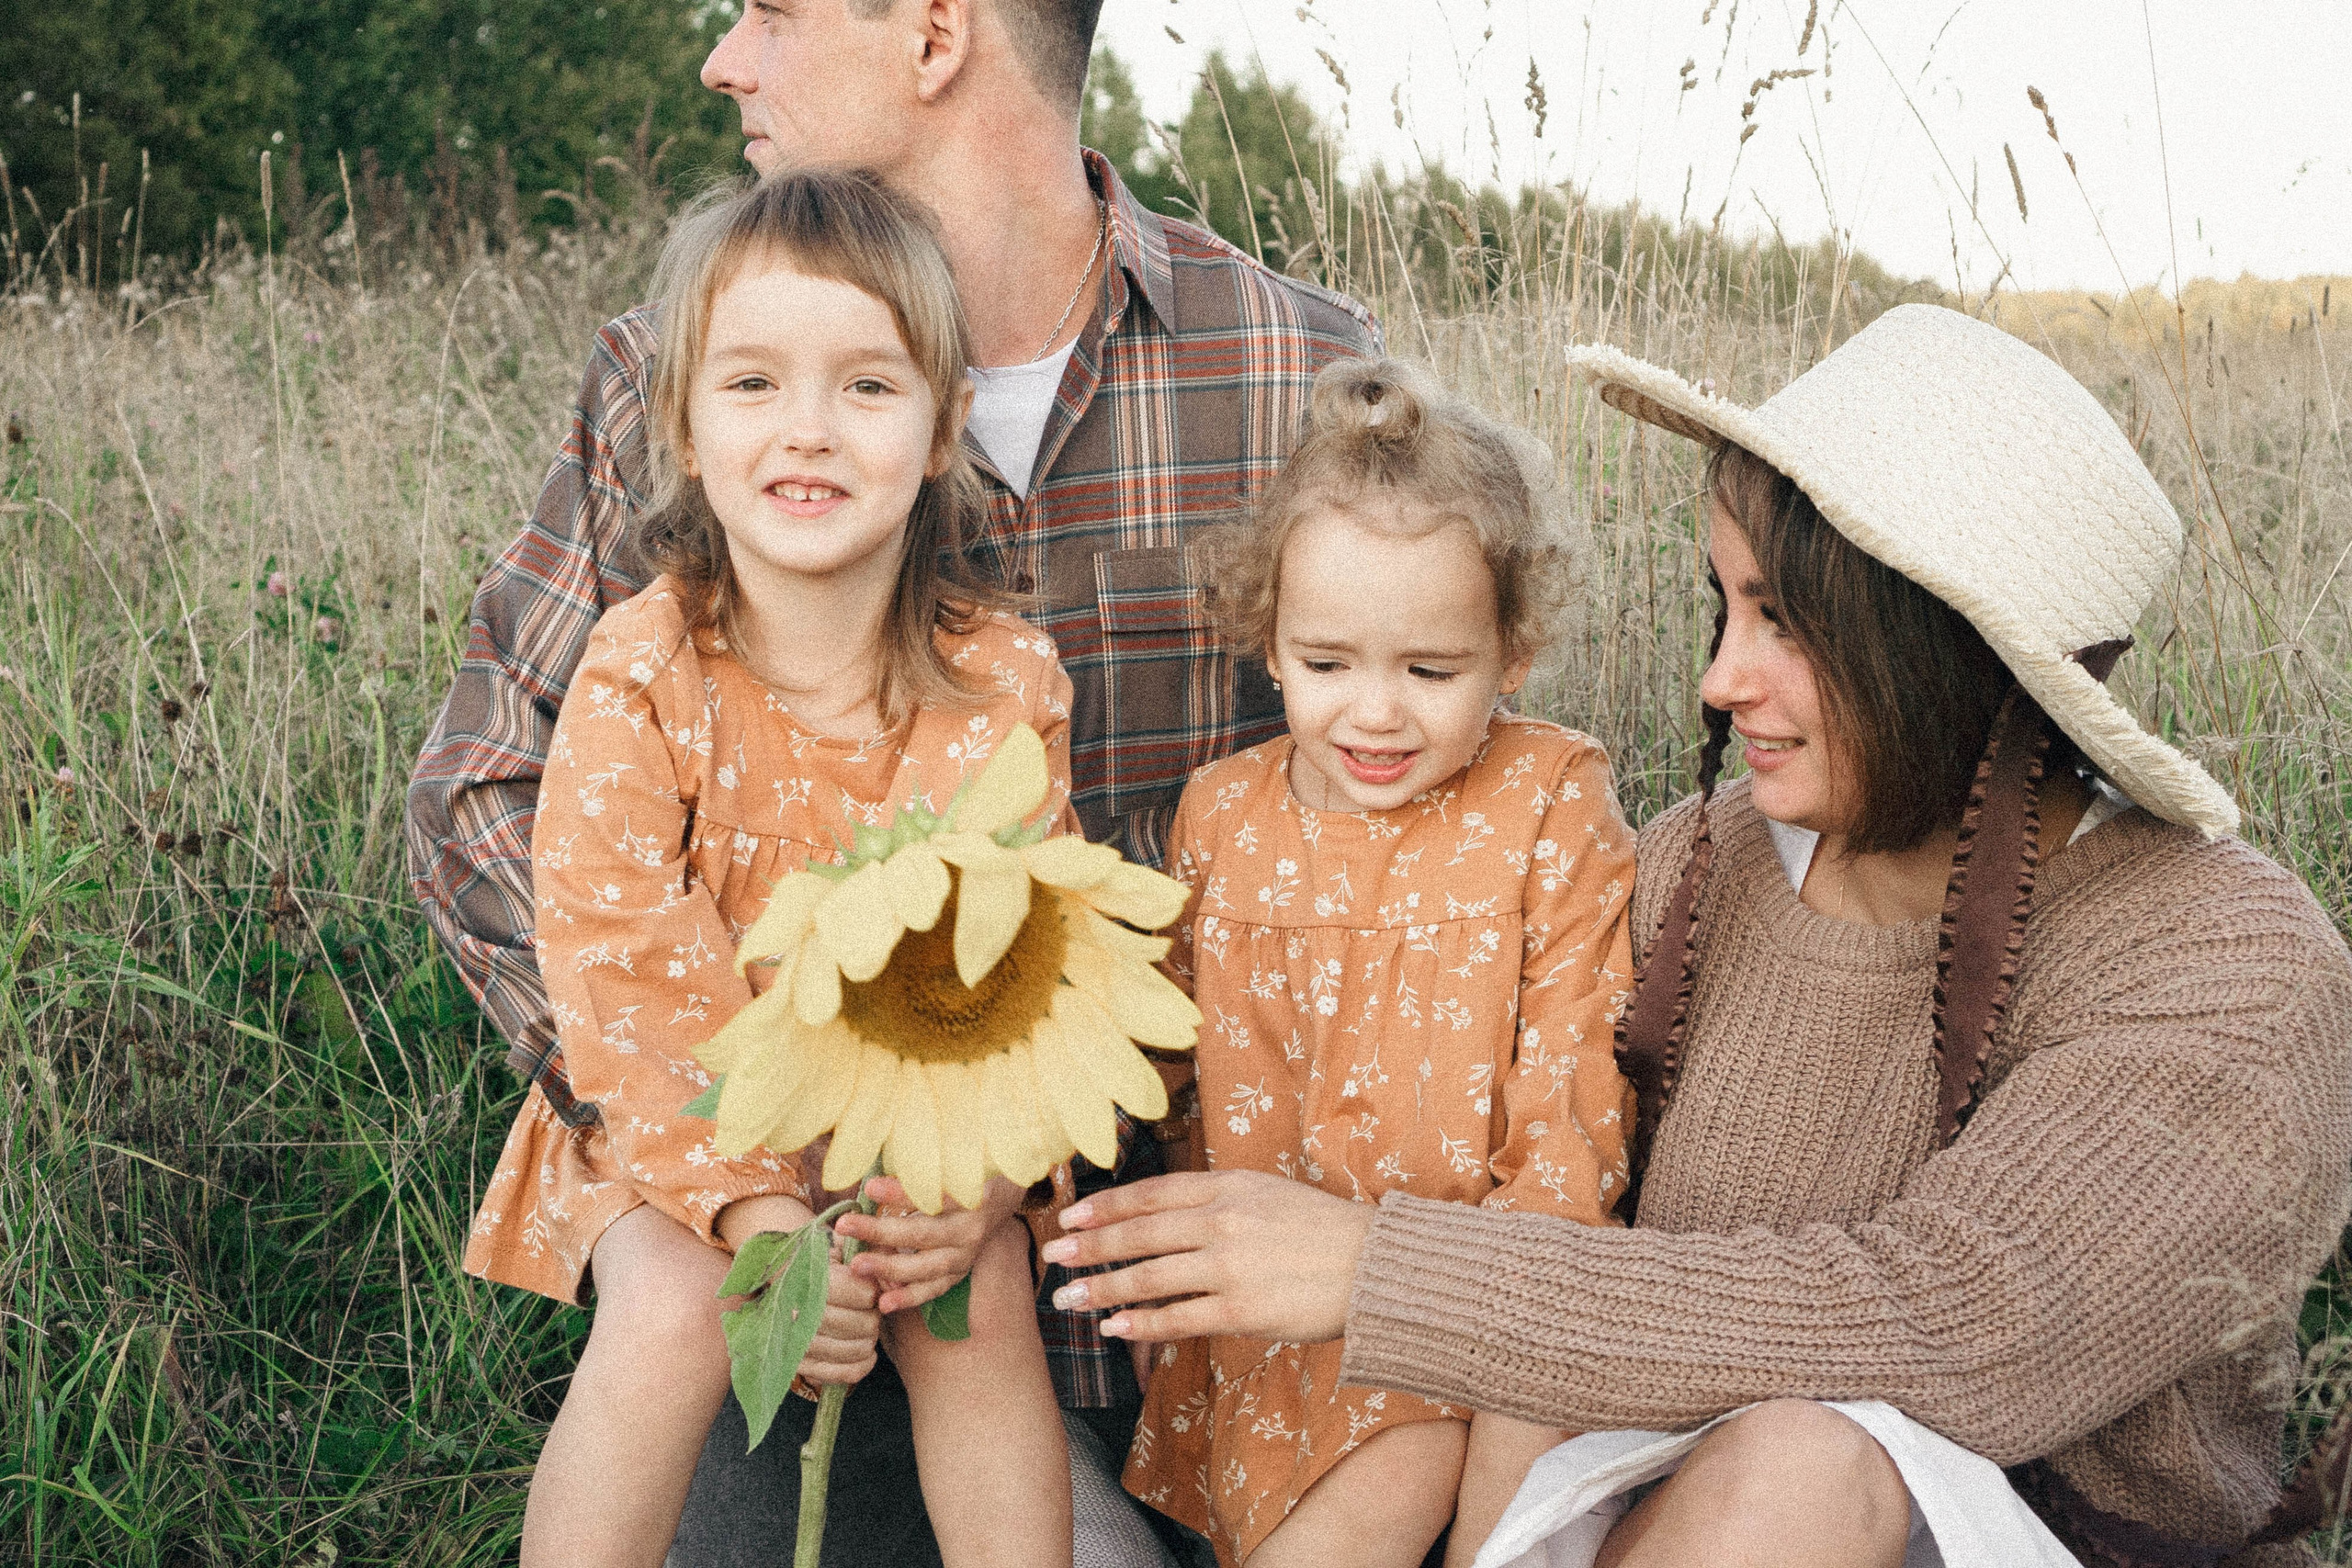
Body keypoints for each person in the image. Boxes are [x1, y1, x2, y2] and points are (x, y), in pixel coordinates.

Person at [1042, 304, 2352, 1567]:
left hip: (1953, 1537)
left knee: (1803, 1466)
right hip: (1616, 1514)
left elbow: (1967, 1330)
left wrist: (1381, 1271)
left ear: (1941, 649)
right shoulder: (1692, 869)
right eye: (1725, 608)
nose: (1724, 676)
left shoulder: (2226, 964)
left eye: (1786, 621)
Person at [404, 1, 1375, 1561]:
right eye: (755, 393)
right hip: (730, 1197)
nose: (724, 57)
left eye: (772, 10)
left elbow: (1370, 837)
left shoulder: (1296, 379)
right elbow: (487, 805)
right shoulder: (671, 393)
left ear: (936, 32)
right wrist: (740, 1174)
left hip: (1117, 1264)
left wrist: (991, 1166)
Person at [464, 170, 1076, 1568]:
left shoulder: (1001, 682)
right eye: (753, 384)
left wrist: (969, 1187)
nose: (808, 431)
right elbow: (620, 961)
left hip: (905, 1120)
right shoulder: (646, 663)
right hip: (673, 1103)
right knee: (679, 1303)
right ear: (682, 423)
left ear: (942, 433)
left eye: (868, 387)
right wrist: (760, 1219)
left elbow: (1036, 967)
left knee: (969, 1294)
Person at [1114, 358, 1638, 1568]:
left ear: (1512, 649)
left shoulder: (1548, 801)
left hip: (1486, 1309)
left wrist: (1490, 1300)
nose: (1376, 715)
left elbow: (1575, 1108)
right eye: (1330, 663)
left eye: (1430, 671)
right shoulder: (1220, 821)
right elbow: (1180, 1081)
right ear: (1272, 641)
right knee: (1338, 1489)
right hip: (1270, 1338)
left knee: (1432, 1454)